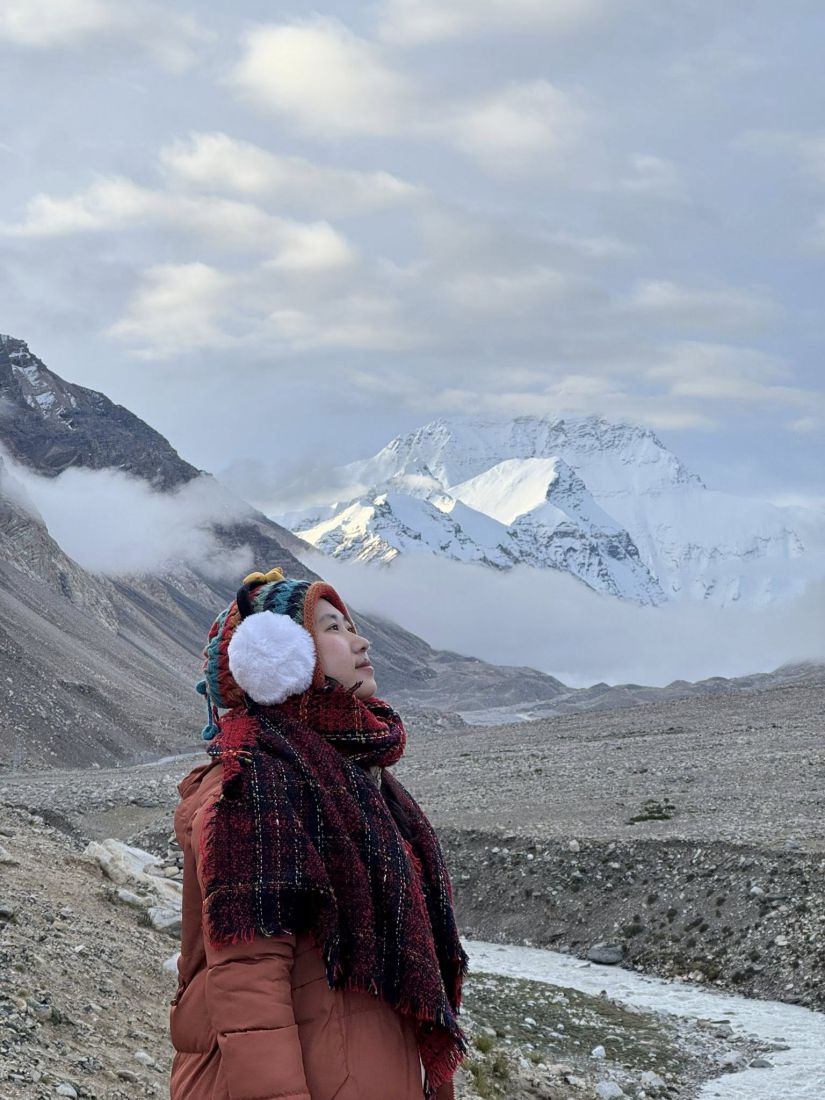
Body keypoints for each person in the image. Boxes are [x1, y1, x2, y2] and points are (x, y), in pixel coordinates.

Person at [170, 567, 467, 1100]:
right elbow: (249, 982)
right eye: (334, 627)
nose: (360, 639)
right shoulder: (253, 789)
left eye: (350, 625)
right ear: (279, 655)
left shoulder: (357, 780)